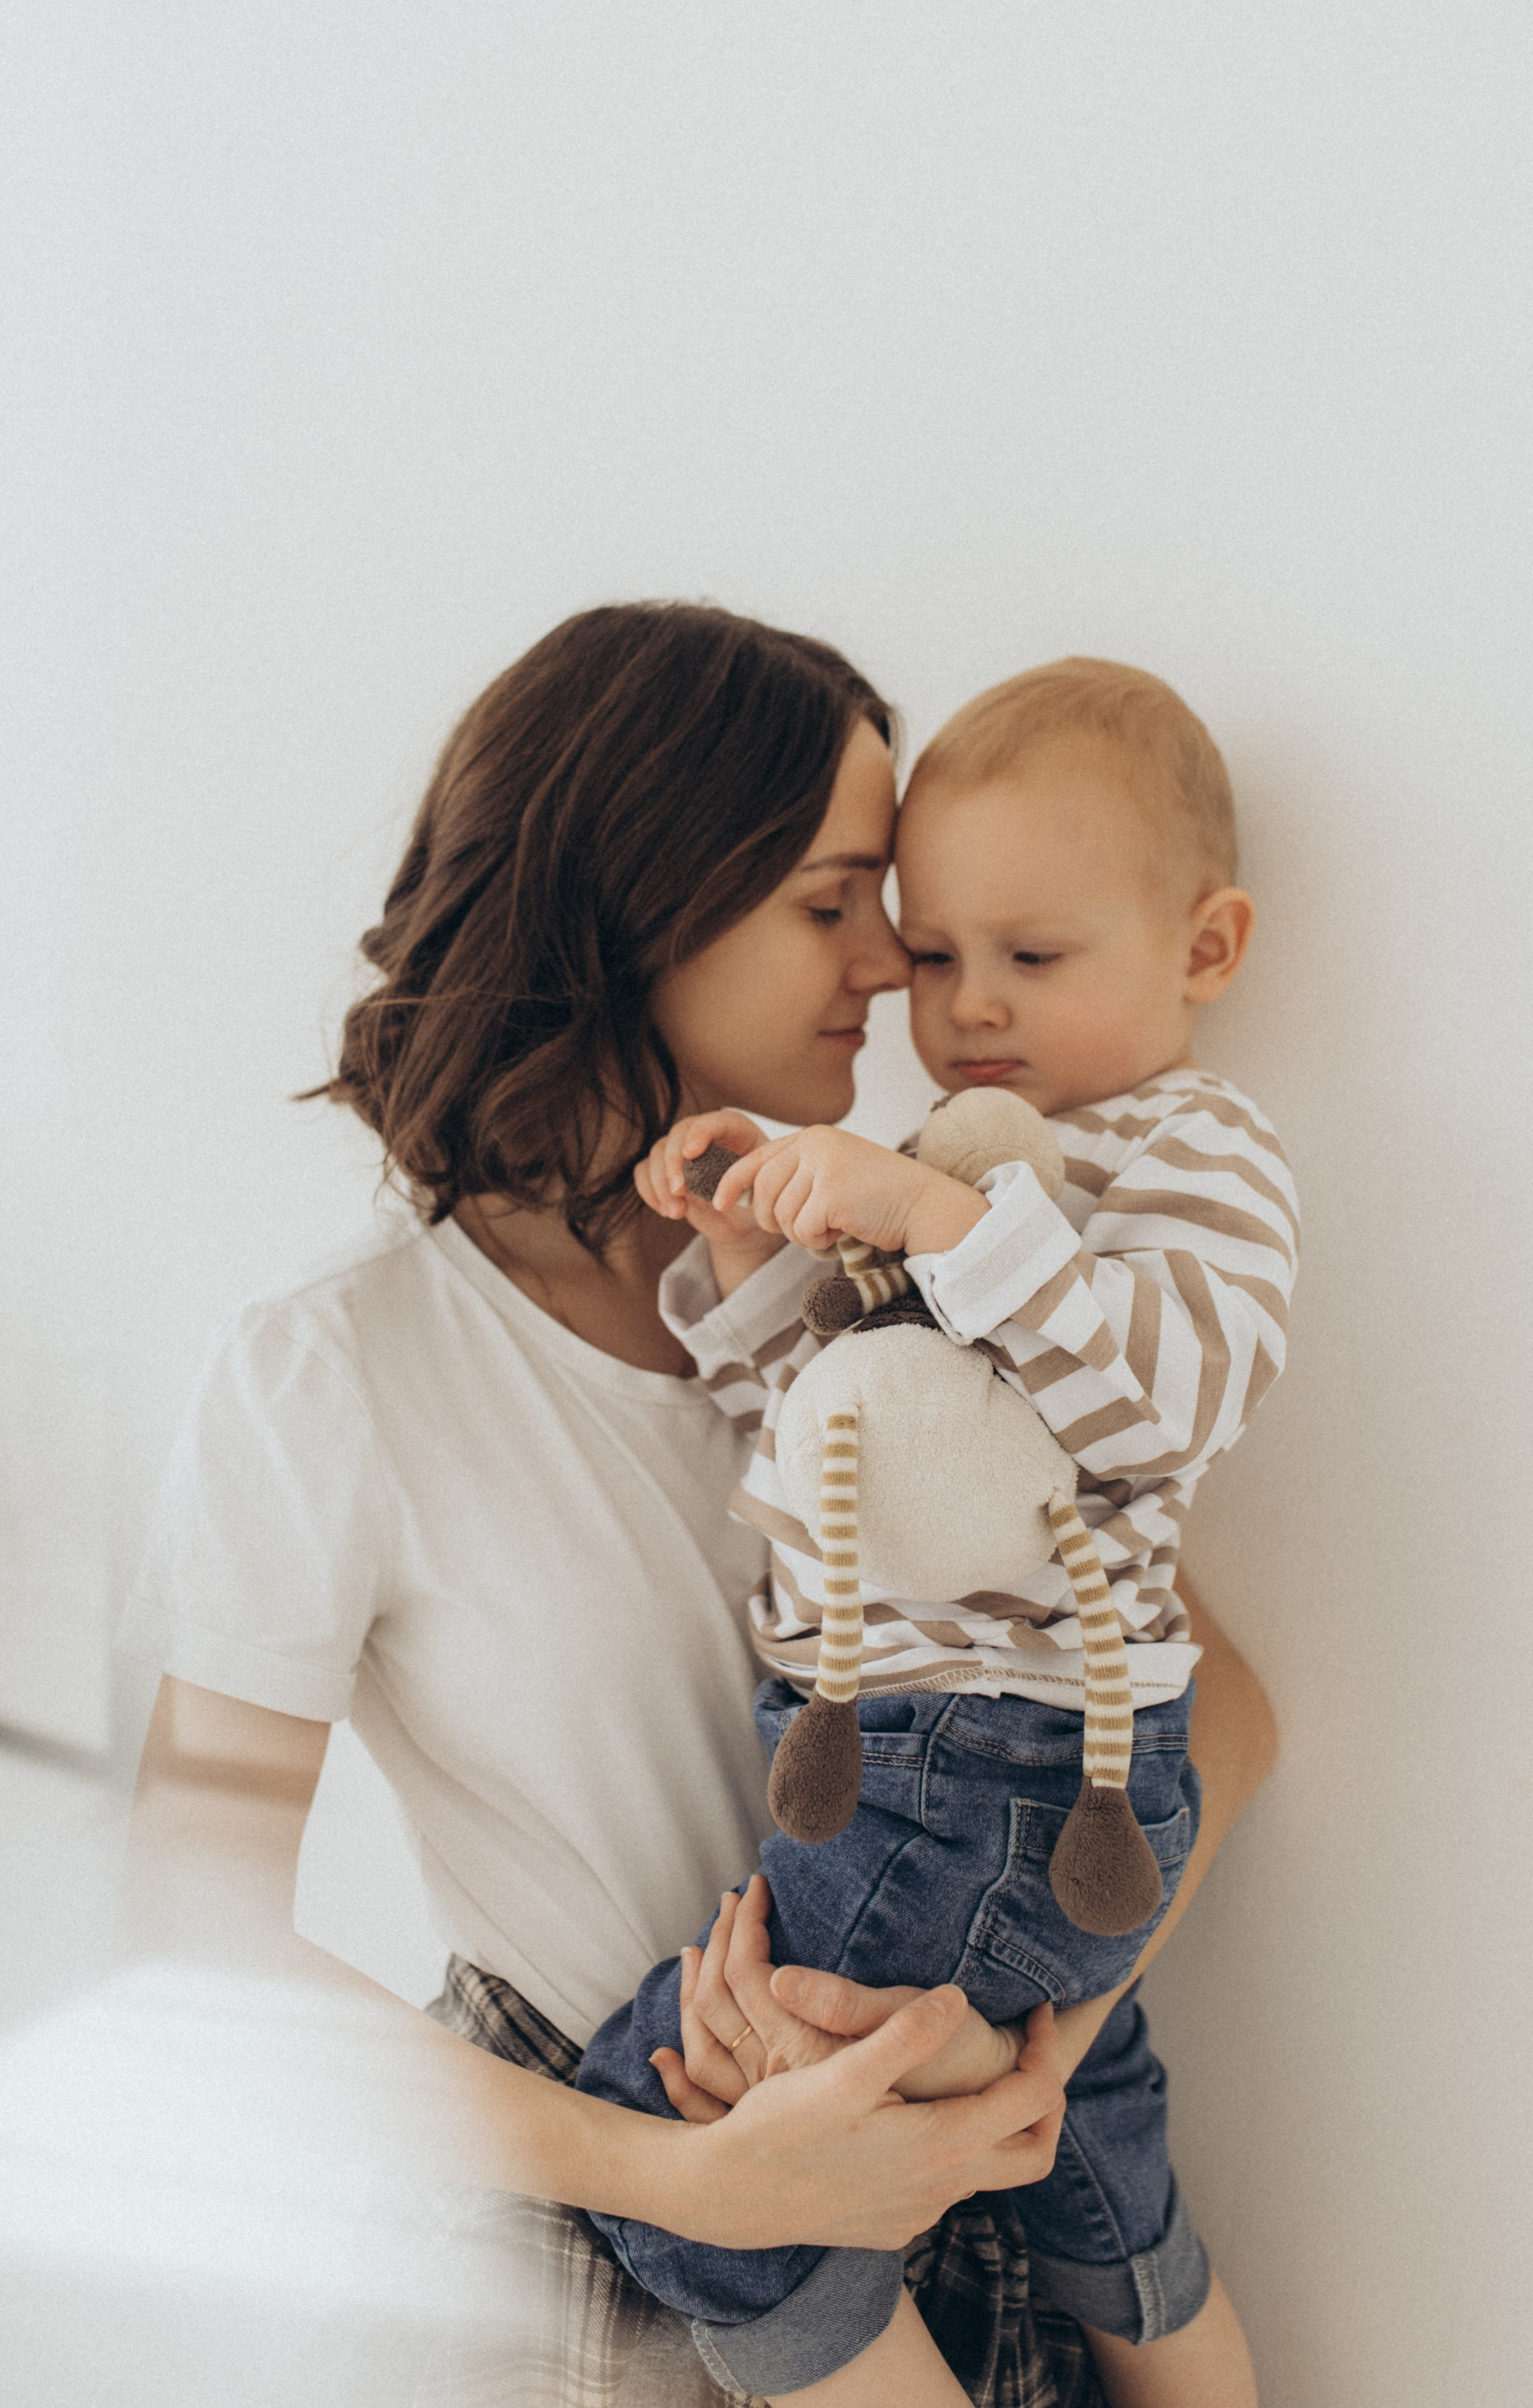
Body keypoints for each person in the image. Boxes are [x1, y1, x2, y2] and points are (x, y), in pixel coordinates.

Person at [117, 608, 1278, 2407]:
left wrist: (1024, 2018)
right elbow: (193, 1945)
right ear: (642, 903)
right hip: (603, 2245)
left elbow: (1224, 1707)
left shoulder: (894, 1296)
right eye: (834, 903)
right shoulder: (334, 1372)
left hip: (953, 2200)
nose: (898, 969)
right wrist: (690, 2176)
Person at [579, 659, 1295, 2408]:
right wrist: (765, 1254)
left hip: (991, 1762)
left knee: (654, 2122)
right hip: (953, 1762)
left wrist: (932, 1208)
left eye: (1031, 959)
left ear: (1204, 950)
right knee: (1092, 2154)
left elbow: (1161, 1402)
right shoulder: (973, 1163)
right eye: (936, 951)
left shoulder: (1188, 1156)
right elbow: (841, 1441)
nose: (968, 1008)